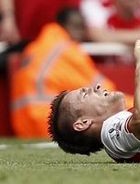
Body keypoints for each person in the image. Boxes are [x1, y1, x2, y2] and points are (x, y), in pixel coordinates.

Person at [11, 8, 130, 138]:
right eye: (79, 27)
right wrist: (137, 105)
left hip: (24, 126)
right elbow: (106, 93)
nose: (82, 33)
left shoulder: (36, 47)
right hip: (47, 125)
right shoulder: (68, 50)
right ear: (68, 26)